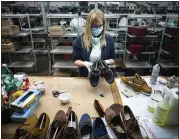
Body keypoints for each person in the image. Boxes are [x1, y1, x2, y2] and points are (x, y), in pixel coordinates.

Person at [72, 9, 116, 77]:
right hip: (86, 74)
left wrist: (106, 62)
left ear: (104, 25)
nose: (97, 28)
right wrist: (84, 63)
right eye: (94, 26)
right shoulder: (79, 40)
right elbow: (75, 60)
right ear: (89, 25)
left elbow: (113, 59)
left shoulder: (109, 39)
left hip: (104, 75)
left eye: (100, 26)